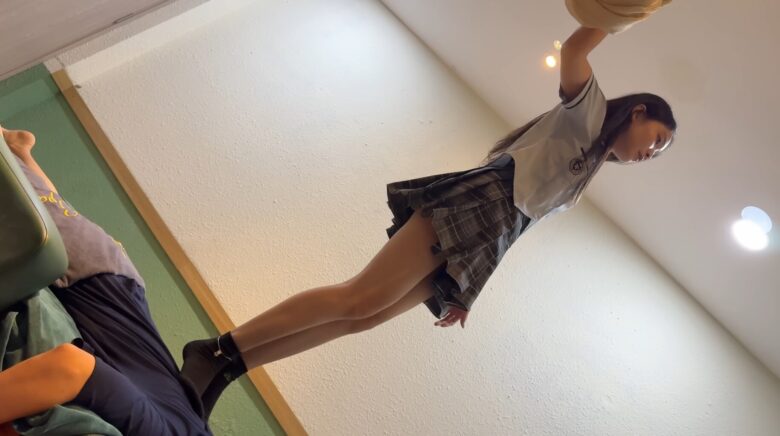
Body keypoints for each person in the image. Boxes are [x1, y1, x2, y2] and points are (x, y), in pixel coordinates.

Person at [179, 24, 677, 421]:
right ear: (637, 113)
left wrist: (467, 290)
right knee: (359, 297)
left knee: (365, 318)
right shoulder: (588, 115)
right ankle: (217, 349)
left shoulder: (584, 174)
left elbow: (516, 227)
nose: (649, 154)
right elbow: (574, 50)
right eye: (656, 140)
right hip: (475, 203)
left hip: (486, 235)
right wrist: (617, 14)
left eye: (657, 154)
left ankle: (228, 369)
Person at [0, 127, 211, 435]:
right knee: (21, 199)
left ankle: (20, 149)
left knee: (46, 203)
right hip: (100, 284)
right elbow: (73, 367)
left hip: (107, 291)